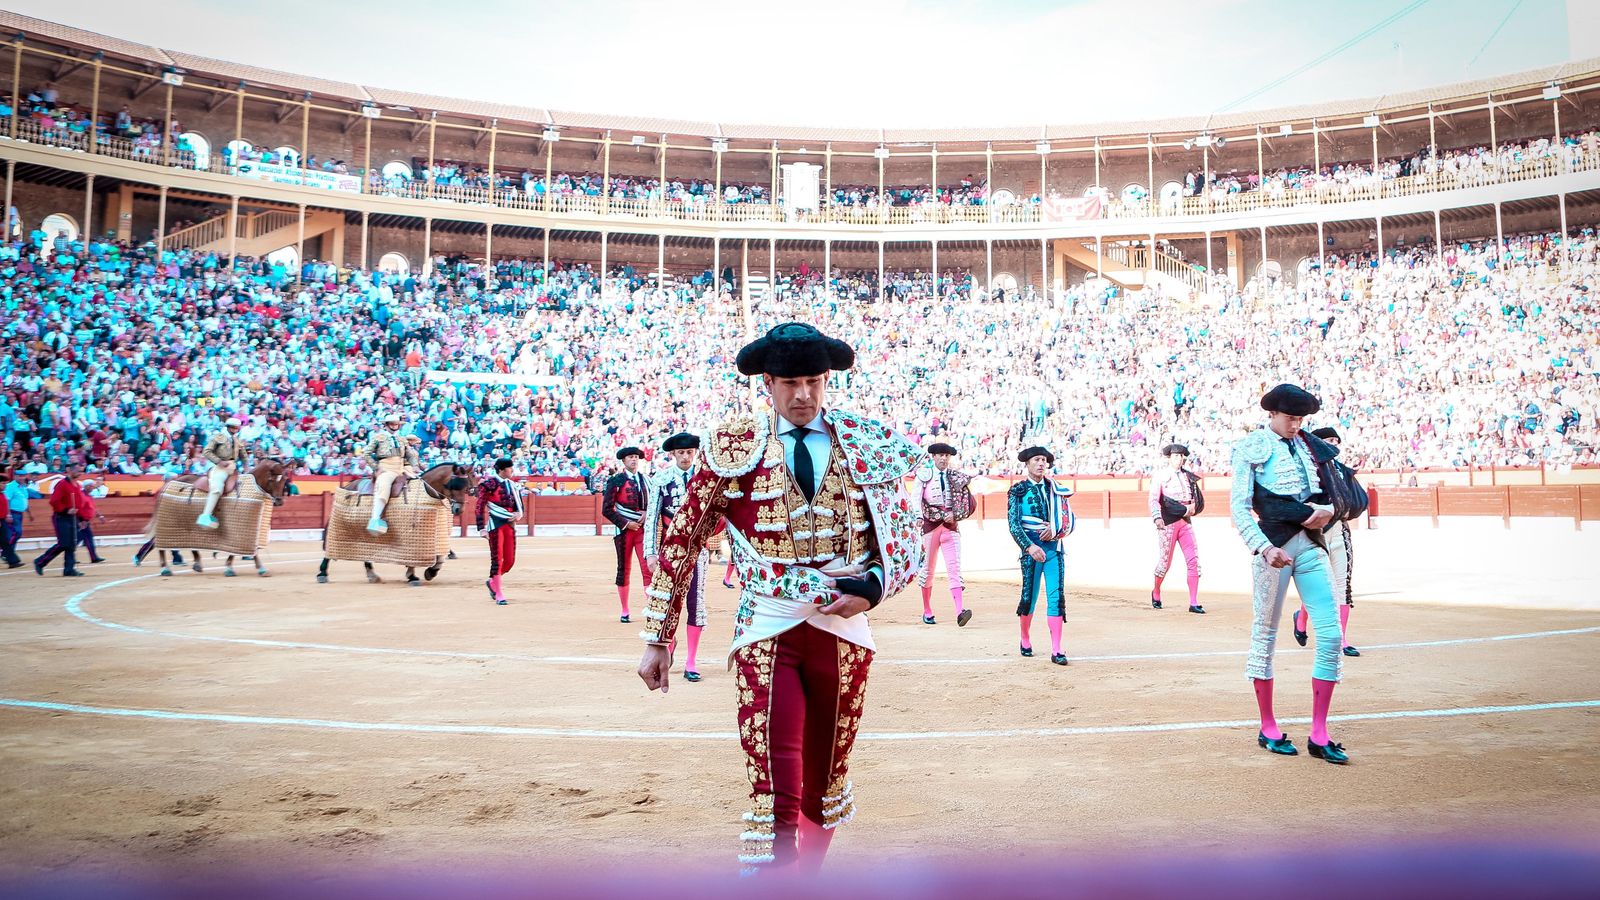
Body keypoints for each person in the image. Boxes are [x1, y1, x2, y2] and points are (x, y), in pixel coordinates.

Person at [636, 322, 923, 874]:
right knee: (776, 777)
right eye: (790, 382)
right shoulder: (734, 447)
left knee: (827, 773)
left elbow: (903, 537)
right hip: (766, 628)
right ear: (767, 383)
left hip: (843, 631)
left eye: (814, 381)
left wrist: (874, 588)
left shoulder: (865, 442)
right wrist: (657, 638)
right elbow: (682, 541)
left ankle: (807, 880)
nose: (803, 395)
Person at [1231, 383, 1348, 764]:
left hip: (1311, 545)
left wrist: (1328, 512)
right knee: (1264, 635)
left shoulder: (1311, 447)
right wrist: (1264, 547)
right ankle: (1268, 727)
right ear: (1273, 414)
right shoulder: (1252, 447)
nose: (1296, 425)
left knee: (1330, 635)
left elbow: (1329, 496)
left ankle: (1319, 732)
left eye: (1301, 419)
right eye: (1290, 418)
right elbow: (1239, 508)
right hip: (1272, 550)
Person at [643, 432, 710, 681]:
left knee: (695, 603)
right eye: (681, 453)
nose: (685, 457)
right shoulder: (661, 479)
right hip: (668, 552)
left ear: (695, 453)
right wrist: (650, 552)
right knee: (666, 602)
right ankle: (667, 643)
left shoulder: (705, 479)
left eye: (689, 452)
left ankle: (691, 661)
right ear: (673, 454)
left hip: (697, 551)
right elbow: (652, 519)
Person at [1294, 427, 1360, 657]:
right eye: (1328, 440)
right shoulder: (1306, 469)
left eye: (1335, 440)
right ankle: (1301, 617)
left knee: (1342, 584)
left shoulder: (1341, 471)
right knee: (1319, 584)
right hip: (1316, 531)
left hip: (1340, 529)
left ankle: (1341, 639)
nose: (1333, 444)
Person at [1008, 446, 1075, 665]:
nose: (1041, 463)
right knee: (1030, 597)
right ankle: (1025, 638)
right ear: (1027, 464)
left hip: (1053, 548)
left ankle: (1057, 649)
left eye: (1044, 460)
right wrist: (1028, 547)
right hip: (1032, 552)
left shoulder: (1055, 488)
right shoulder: (1017, 490)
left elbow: (1067, 518)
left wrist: (1056, 530)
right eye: (1036, 460)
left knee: (1056, 597)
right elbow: (1014, 524)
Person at [912, 441, 973, 626]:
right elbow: (915, 498)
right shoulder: (924, 475)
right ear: (934, 457)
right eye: (941, 455)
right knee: (928, 570)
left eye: (947, 456)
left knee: (954, 568)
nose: (944, 458)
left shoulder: (955, 477)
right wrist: (918, 517)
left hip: (950, 526)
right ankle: (927, 610)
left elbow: (965, 500)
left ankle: (960, 611)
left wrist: (956, 514)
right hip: (930, 527)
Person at [1149, 443, 1205, 613]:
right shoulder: (1160, 475)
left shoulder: (1188, 476)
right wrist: (1157, 517)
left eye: (1181, 456)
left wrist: (1195, 506)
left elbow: (1194, 497)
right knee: (1165, 563)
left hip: (1185, 521)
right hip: (1168, 523)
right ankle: (1156, 591)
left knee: (1193, 560)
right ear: (1169, 458)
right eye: (1175, 456)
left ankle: (1193, 602)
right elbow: (1153, 499)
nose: (1179, 459)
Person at [602, 446, 649, 623]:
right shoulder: (616, 481)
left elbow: (652, 502)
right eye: (630, 457)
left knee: (647, 568)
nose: (634, 460)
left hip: (642, 530)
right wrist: (626, 523)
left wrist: (646, 513)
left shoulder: (646, 480)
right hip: (623, 531)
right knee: (624, 569)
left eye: (636, 457)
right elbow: (607, 509)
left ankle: (652, 609)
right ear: (624, 461)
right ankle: (625, 609)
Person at [475, 458, 524, 605]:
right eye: (510, 468)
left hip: (509, 525)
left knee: (509, 561)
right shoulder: (488, 484)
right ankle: (499, 593)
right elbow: (480, 506)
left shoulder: (512, 485)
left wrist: (518, 514)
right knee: (497, 559)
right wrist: (481, 528)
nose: (512, 470)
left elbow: (518, 505)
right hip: (495, 525)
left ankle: (492, 582)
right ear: (502, 470)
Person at [363, 412, 419, 534]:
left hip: (401, 468)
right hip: (386, 468)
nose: (395, 426)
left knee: (419, 482)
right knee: (383, 486)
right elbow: (366, 453)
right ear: (387, 425)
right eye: (392, 424)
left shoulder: (402, 439)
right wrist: (376, 468)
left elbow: (409, 454)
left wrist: (414, 465)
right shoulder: (378, 437)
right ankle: (375, 519)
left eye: (397, 424)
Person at [33, 461, 89, 577]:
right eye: (77, 471)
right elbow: (54, 501)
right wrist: (66, 510)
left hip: (73, 518)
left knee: (72, 544)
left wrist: (82, 518)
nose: (79, 473)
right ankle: (40, 561)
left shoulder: (77, 485)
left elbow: (80, 504)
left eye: (80, 471)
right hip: (61, 517)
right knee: (63, 543)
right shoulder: (62, 484)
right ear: (70, 470)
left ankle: (69, 569)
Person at [196, 417, 246, 529]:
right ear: (228, 427)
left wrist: (247, 467)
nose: (235, 430)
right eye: (233, 428)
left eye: (237, 428)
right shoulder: (219, 437)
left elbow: (243, 455)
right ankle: (205, 516)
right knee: (217, 488)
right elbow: (206, 451)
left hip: (234, 468)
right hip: (221, 467)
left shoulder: (237, 439)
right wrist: (219, 461)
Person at [2, 466, 34, 568]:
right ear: (15, 476)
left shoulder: (23, 487)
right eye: (19, 476)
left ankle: (8, 554)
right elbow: (6, 500)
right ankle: (7, 554)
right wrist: (8, 514)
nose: (21, 478)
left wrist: (29, 513)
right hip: (13, 513)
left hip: (19, 514)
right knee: (16, 533)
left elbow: (25, 501)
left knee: (15, 534)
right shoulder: (11, 486)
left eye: (23, 476)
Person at [76, 477, 109, 564]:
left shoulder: (88, 496)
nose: (93, 487)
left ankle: (93, 557)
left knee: (85, 539)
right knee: (78, 540)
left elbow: (93, 508)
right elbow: (78, 509)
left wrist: (100, 516)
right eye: (92, 486)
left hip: (85, 522)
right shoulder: (81, 496)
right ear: (86, 486)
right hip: (81, 522)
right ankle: (92, 557)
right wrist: (80, 521)